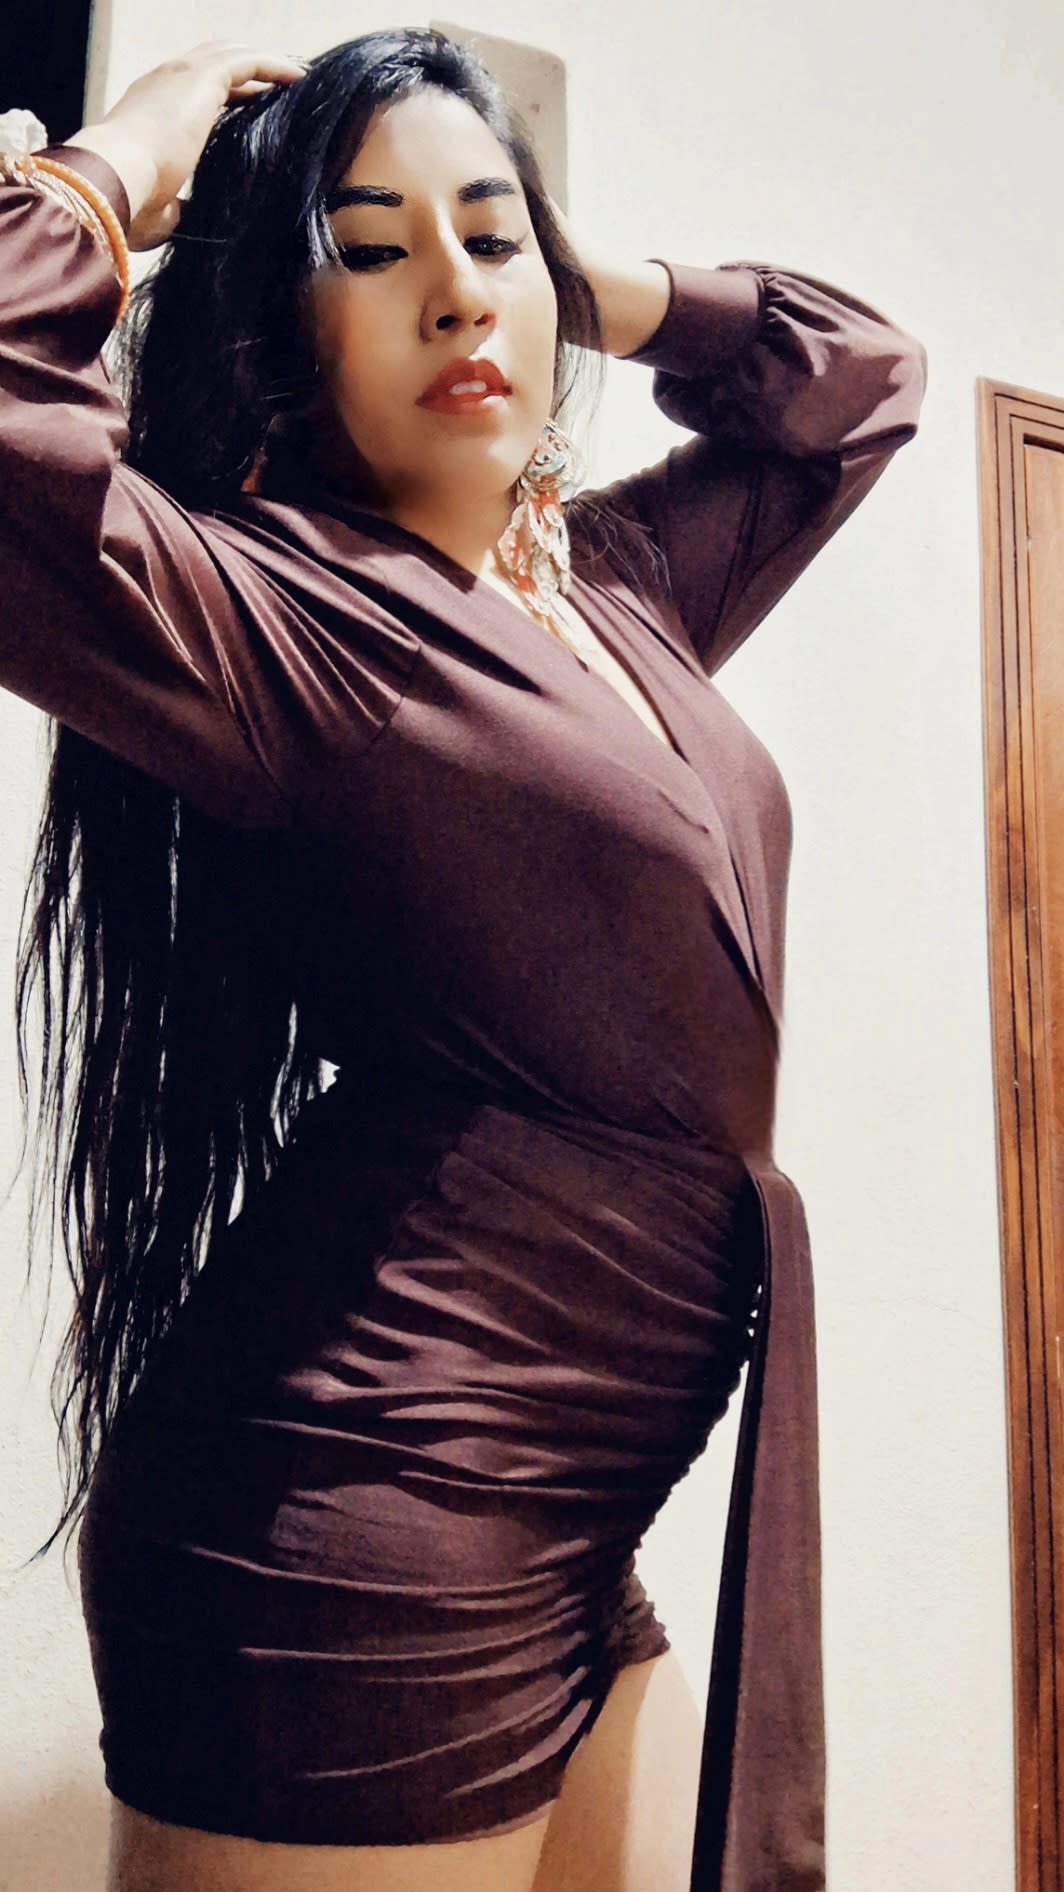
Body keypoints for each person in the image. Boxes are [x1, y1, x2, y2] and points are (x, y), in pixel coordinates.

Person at [0, 28, 926, 1892]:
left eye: (488, 239)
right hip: (353, 1524)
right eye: (369, 249)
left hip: (575, 1515)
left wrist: (574, 275)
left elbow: (859, 381)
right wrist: (133, 155)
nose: (450, 289)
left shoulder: (621, 591)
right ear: (284, 325)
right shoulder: (287, 617)